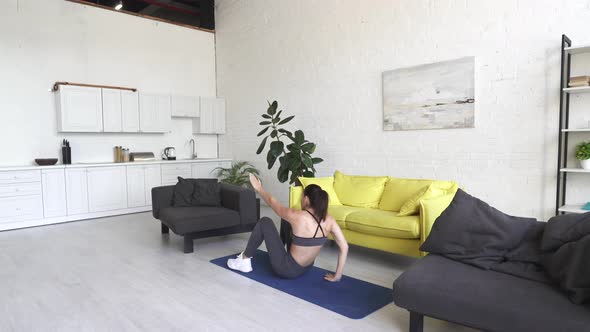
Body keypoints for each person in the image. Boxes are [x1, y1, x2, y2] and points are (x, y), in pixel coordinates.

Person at [227, 174, 349, 281]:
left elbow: (271, 201)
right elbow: (344, 247)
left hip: (287, 270)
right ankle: (279, 251)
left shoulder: (297, 216)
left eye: (302, 197)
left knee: (265, 221)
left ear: (306, 199)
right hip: (307, 267)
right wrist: (337, 276)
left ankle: (244, 260)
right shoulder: (329, 219)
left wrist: (259, 188)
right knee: (286, 221)